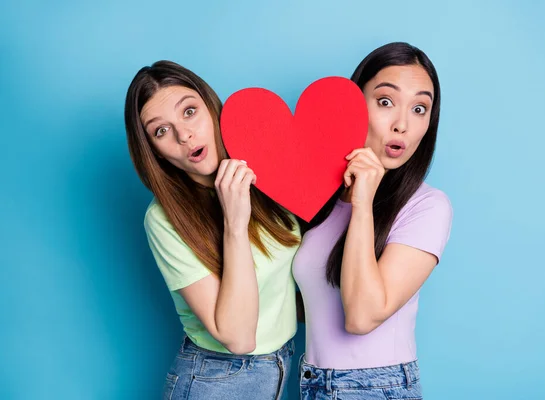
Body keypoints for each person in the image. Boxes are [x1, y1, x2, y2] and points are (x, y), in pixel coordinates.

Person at [124, 60, 300, 400]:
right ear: (153, 152)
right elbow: (238, 338)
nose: (184, 135)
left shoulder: (265, 174)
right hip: (215, 379)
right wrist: (234, 224)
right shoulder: (163, 220)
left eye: (189, 112)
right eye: (161, 131)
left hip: (280, 369)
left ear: (212, 107)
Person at [293, 42, 453, 399]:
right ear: (351, 105)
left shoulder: (427, 206)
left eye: (419, 108)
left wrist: (363, 202)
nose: (402, 125)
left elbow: (361, 317)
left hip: (376, 387)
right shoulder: (320, 201)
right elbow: (306, 305)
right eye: (385, 102)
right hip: (312, 382)